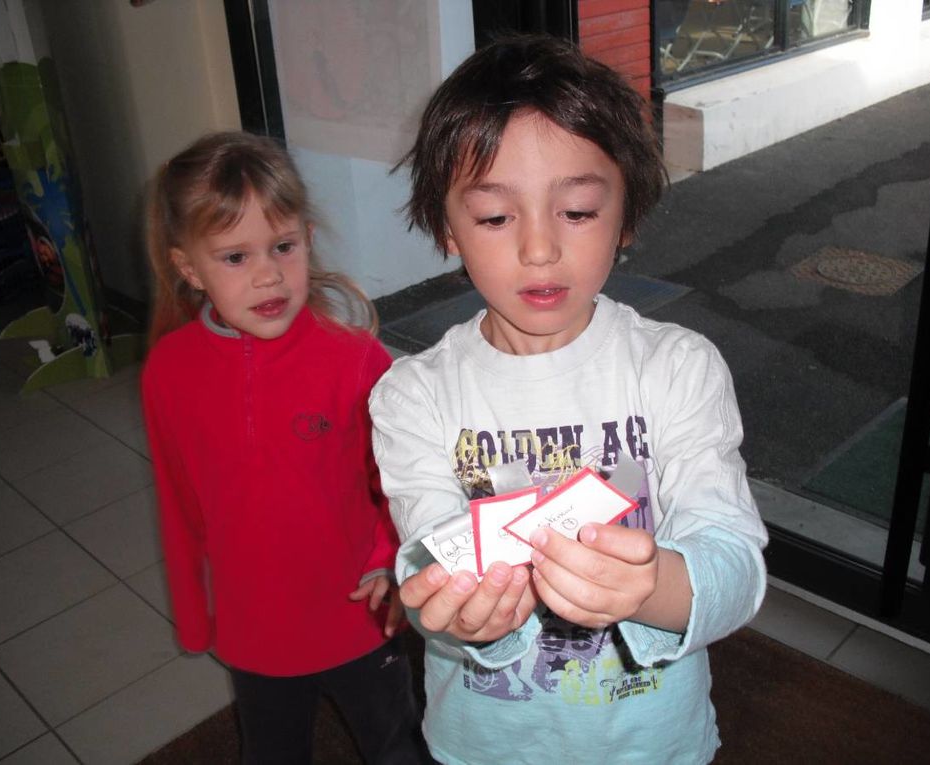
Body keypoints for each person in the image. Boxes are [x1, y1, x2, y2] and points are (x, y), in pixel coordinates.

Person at [369, 34, 768, 764]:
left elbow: (735, 564)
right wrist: (467, 615)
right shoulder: (412, 396)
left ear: (627, 215)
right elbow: (422, 559)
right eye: (494, 217)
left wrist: (651, 586)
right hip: (486, 744)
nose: (539, 249)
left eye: (578, 210)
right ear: (447, 229)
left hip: (655, 744)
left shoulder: (676, 369)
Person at [142, 131, 431, 764]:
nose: (270, 274)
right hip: (255, 627)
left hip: (360, 612)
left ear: (306, 237)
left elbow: (407, 480)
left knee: (396, 745)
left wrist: (392, 558)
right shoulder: (168, 370)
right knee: (271, 751)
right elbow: (177, 500)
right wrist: (195, 613)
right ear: (189, 268)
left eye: (283, 246)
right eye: (235, 257)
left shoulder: (356, 361)